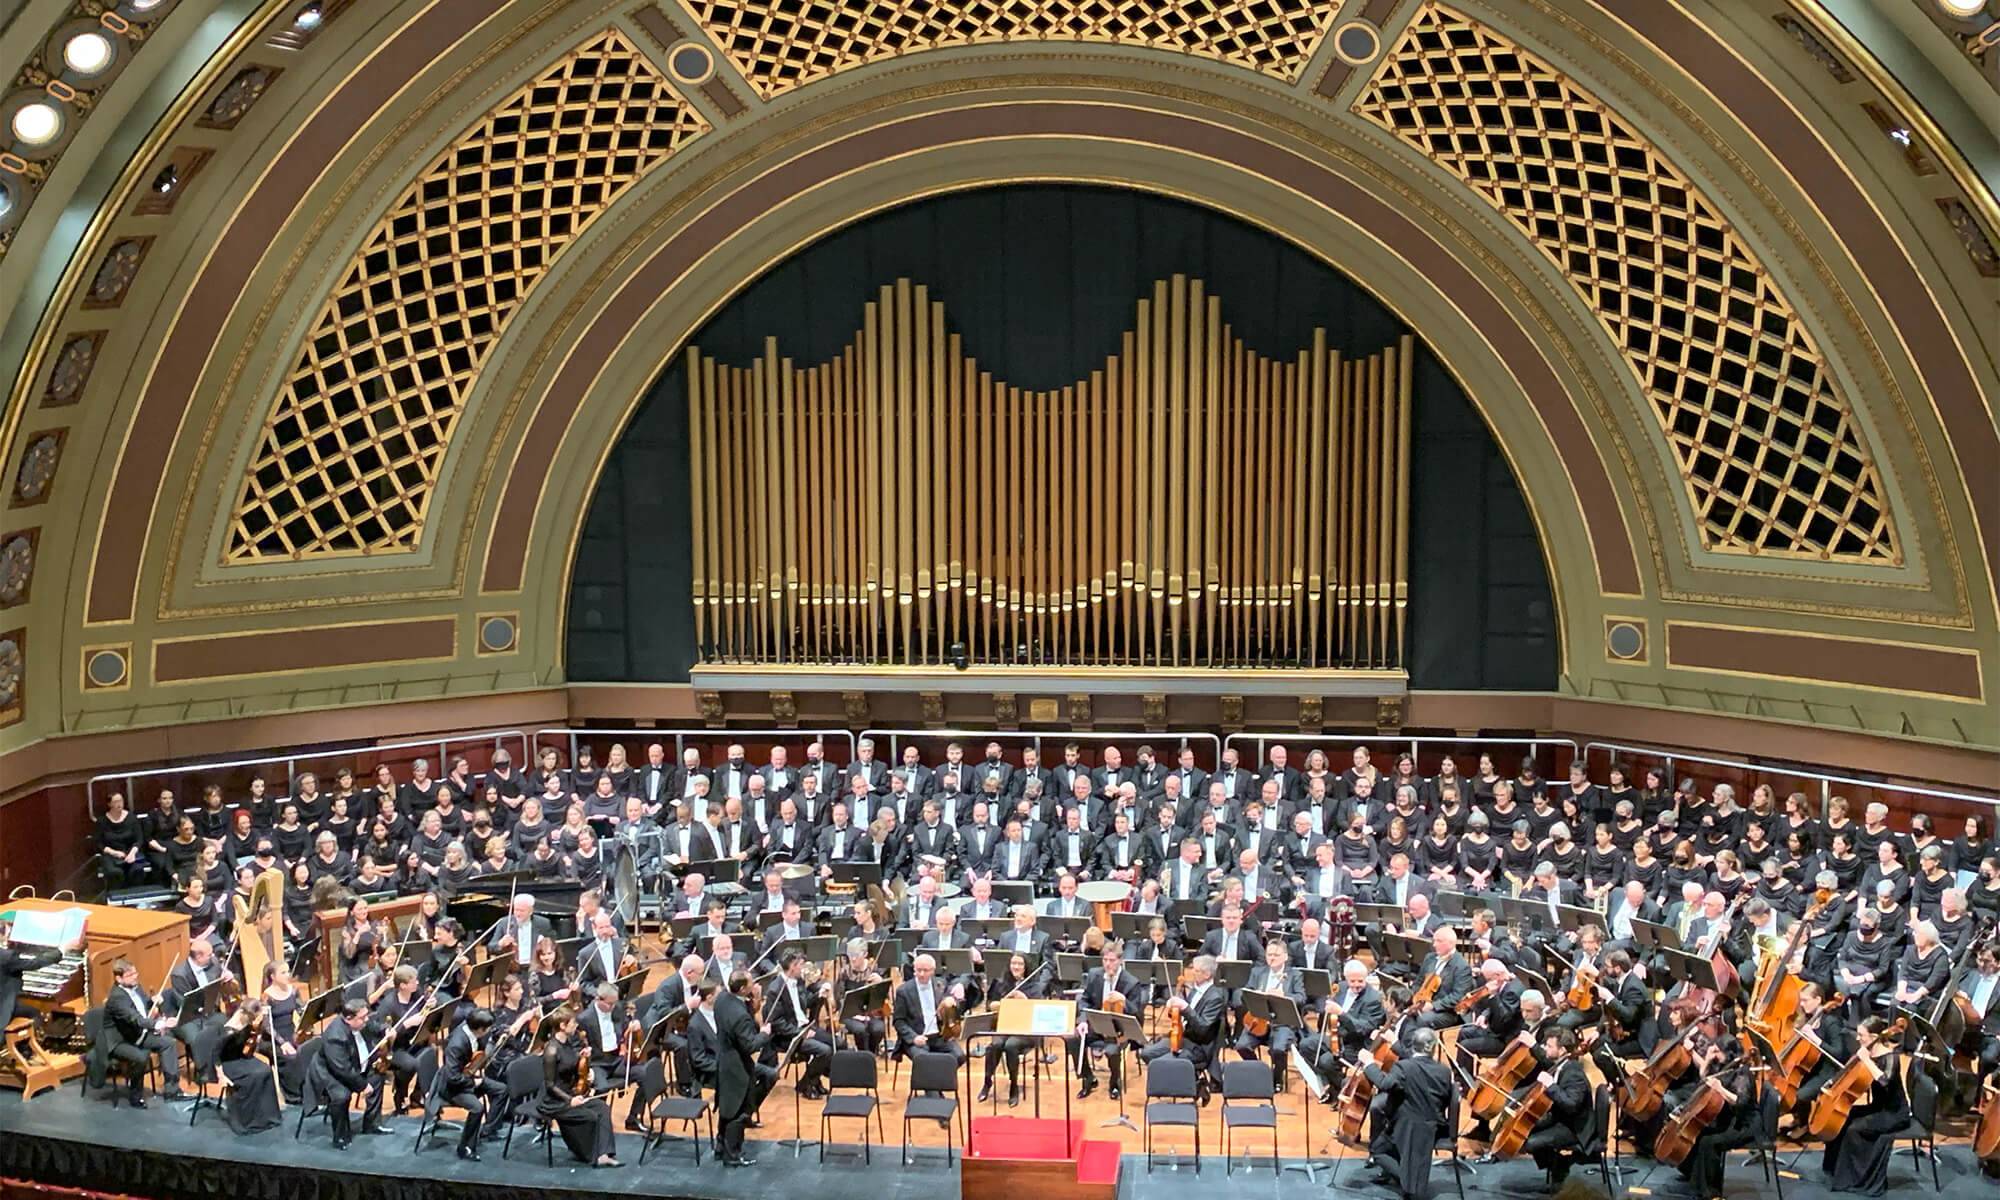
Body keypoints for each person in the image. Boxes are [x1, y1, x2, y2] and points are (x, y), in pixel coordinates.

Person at [1361, 1025, 1455, 1200]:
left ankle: (1406, 1179)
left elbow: (1384, 1084)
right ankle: (1407, 1177)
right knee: (1380, 1147)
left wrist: (1369, 1064)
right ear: (1434, 1048)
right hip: (1435, 1126)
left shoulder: (1404, 1067)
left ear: (1413, 1046)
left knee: (1377, 1151)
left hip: (1408, 1126)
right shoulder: (1444, 1071)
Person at [1821, 1017, 1909, 1196]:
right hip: (1878, 1107)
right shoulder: (1869, 1052)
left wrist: (1866, 1060)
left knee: (1854, 1129)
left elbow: (1884, 1081)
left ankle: (1856, 1180)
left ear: (1875, 1036)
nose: (1858, 1038)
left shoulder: (1891, 1057)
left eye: (1862, 1035)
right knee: (1845, 1118)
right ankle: (1834, 1168)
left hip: (1893, 1113)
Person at [537, 1006, 622, 1167]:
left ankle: (604, 1153)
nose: (576, 1025)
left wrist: (582, 1059)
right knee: (590, 1116)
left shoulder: (568, 1043)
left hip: (572, 1093)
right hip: (555, 1101)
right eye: (572, 1023)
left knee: (602, 1107)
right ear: (562, 1026)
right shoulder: (551, 1050)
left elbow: (569, 1063)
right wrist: (570, 1100)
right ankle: (588, 1154)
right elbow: (550, 1085)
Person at [103, 956, 185, 1104]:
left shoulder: (136, 986)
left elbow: (144, 1007)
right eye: (130, 975)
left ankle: (172, 1091)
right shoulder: (116, 998)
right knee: (140, 1057)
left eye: (135, 973)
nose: (135, 977)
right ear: (119, 979)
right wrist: (158, 1024)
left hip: (137, 1034)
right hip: (120, 1040)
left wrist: (153, 1001)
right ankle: (135, 1097)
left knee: (168, 1043)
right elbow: (135, 1018)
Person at [310, 998, 388, 1149]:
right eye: (363, 1017)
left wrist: (385, 1030)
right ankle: (340, 1137)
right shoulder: (335, 1036)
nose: (366, 1020)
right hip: (330, 1074)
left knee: (377, 1076)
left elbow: (373, 1026)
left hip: (354, 1065)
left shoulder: (359, 1022)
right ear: (348, 1019)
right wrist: (363, 1085)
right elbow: (342, 1069)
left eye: (367, 1015)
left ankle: (371, 1123)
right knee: (341, 1096)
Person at [712, 974, 771, 1168]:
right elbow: (750, 1045)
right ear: (743, 989)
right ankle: (733, 1155)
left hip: (724, 1061)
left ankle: (720, 1148)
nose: (754, 984)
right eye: (751, 983)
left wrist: (753, 1003)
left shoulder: (722, 999)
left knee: (726, 1109)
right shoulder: (740, 1016)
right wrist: (764, 1033)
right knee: (738, 1112)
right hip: (738, 1068)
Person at [1070, 943, 1143, 1101]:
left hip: (1118, 1030)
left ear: (1120, 961)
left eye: (1112, 960)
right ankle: (1088, 1078)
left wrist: (1124, 1000)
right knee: (1073, 1039)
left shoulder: (1131, 982)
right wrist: (1082, 1021)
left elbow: (1137, 1012)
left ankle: (1114, 1081)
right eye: (1105, 960)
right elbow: (1085, 1000)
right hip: (1096, 1024)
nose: (1108, 964)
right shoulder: (1094, 974)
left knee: (1112, 1051)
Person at [431, 1006, 505, 1160]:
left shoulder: (470, 1029)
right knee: (477, 1108)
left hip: (468, 1076)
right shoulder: (456, 1045)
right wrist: (473, 1082)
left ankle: (488, 1130)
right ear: (479, 1029)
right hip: (453, 1088)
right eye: (488, 1029)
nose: (489, 1031)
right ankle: (465, 1148)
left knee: (501, 1090)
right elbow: (452, 1078)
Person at [982, 952, 1048, 1105]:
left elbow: (1039, 1012)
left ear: (1026, 967)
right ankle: (987, 1081)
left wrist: (1024, 1000)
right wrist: (996, 1005)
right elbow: (989, 1005)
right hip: (1005, 1025)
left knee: (1011, 1046)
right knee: (995, 1045)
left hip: (1027, 1030)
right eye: (1013, 964)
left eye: (1020, 964)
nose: (1016, 967)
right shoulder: (1000, 983)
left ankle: (1013, 1086)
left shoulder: (1035, 987)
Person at [216, 998, 284, 1134]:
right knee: (253, 1076)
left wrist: (256, 1035)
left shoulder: (249, 1025)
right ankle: (248, 1121)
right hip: (229, 1063)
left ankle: (268, 1117)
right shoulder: (229, 1031)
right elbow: (216, 1054)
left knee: (265, 1070)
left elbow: (247, 1049)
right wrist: (220, 1074)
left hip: (243, 1058)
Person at [892, 952, 965, 1062]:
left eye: (925, 970)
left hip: (940, 1036)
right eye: (918, 970)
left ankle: (941, 1079)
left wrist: (953, 1002)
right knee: (923, 1060)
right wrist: (914, 1038)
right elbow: (898, 1021)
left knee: (959, 1057)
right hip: (917, 1037)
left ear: (933, 971)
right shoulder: (903, 991)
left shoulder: (941, 984)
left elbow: (955, 1009)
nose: (921, 974)